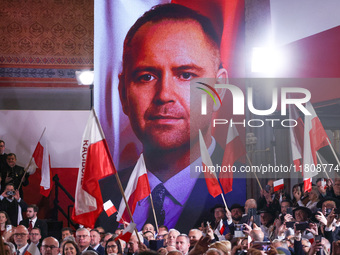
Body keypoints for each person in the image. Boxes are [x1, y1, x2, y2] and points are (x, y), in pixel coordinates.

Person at [99, 3, 245, 233]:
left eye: (186, 75)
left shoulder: (245, 191)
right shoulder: (102, 194)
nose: (164, 94)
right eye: (146, 76)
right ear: (123, 94)